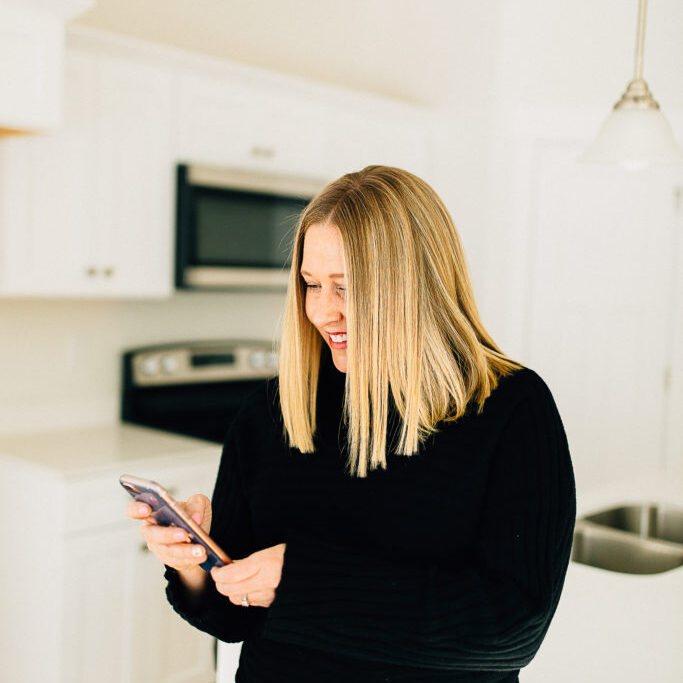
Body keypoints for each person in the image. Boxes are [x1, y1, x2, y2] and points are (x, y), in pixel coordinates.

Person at [126, 165, 576, 682]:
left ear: (415, 285)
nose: (321, 312)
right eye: (311, 284)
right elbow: (231, 617)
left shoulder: (510, 409)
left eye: (346, 287)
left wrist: (302, 584)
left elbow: (512, 629)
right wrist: (193, 567)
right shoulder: (271, 412)